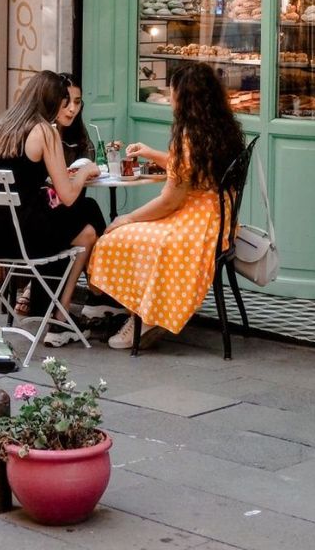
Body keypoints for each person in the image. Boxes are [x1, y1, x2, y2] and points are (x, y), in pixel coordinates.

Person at [88, 63, 246, 350]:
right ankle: (141, 309)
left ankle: (146, 316)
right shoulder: (219, 128)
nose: (170, 97)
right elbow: (193, 169)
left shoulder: (189, 137)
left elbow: (170, 200)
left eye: (172, 92)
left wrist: (127, 218)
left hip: (196, 222)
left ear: (184, 98)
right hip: (218, 217)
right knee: (137, 234)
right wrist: (152, 154)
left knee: (119, 237)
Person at [0, 70, 103, 347]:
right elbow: (68, 196)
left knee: (84, 232)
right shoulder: (44, 130)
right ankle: (88, 299)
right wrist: (85, 172)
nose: (68, 107)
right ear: (51, 100)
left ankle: (60, 310)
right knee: (88, 211)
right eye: (63, 100)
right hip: (25, 238)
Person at [56, 73, 96, 166]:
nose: (72, 109)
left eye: (77, 102)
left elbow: (88, 161)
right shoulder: (42, 131)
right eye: (66, 101)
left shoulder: (78, 129)